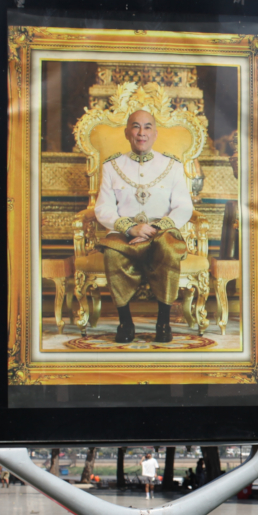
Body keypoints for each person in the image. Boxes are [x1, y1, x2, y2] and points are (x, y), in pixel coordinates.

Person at [93, 109, 194, 344]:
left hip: (161, 233)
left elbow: (183, 207)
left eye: (147, 127)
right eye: (136, 126)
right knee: (112, 254)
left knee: (169, 250)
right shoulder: (112, 166)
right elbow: (103, 208)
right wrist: (130, 228)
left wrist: (154, 230)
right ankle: (125, 322)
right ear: (127, 132)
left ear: (155, 133)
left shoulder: (172, 165)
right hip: (125, 234)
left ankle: (163, 322)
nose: (141, 133)